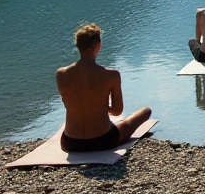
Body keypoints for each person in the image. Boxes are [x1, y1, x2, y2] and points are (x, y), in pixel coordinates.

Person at [55, 24, 152, 153]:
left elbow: (70, 102)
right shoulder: (111, 75)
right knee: (145, 112)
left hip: (70, 142)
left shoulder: (61, 74)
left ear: (78, 46)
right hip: (102, 140)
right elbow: (117, 111)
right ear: (98, 45)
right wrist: (100, 106)